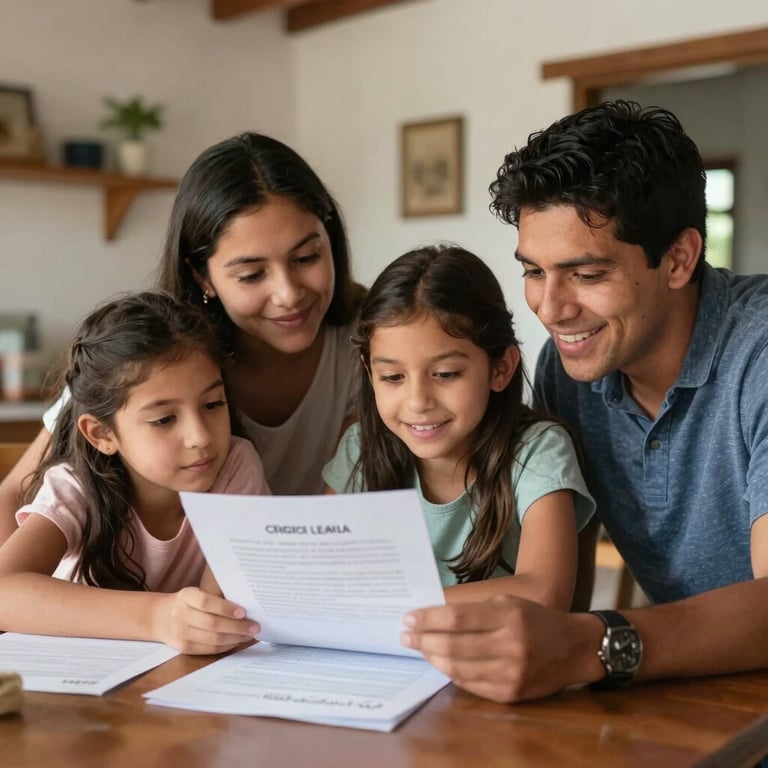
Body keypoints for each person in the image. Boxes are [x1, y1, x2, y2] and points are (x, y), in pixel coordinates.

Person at [400, 100, 768, 704]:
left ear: (679, 258)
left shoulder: (757, 350)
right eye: (534, 271)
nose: (549, 308)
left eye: (586, 274)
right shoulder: (570, 371)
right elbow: (560, 586)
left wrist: (589, 645)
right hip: (703, 698)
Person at [0, 132, 366, 544]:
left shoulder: (371, 340)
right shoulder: (155, 354)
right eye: (251, 275)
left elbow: (354, 502)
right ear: (202, 276)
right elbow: (14, 492)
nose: (289, 293)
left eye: (306, 258)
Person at [323, 245, 594, 609]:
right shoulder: (360, 446)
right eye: (392, 376)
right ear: (369, 371)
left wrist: (394, 606)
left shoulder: (539, 451)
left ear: (500, 368)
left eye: (446, 374)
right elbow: (321, 573)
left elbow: (544, 593)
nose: (418, 401)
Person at [0, 292, 267, 653]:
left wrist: (182, 622)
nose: (201, 437)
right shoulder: (75, 486)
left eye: (212, 404)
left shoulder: (236, 465)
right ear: (102, 434)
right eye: (164, 419)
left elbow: (215, 616)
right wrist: (158, 617)